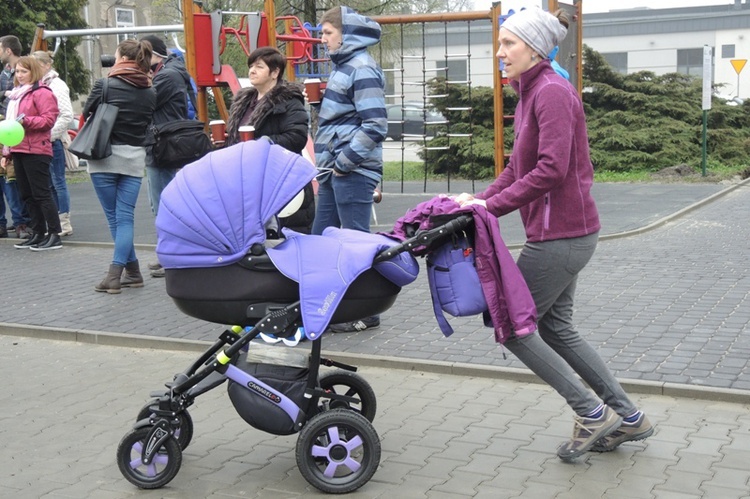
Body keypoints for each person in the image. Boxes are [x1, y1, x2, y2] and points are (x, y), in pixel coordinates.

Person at [455, 7, 653, 461]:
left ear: (535, 48)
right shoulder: (530, 94)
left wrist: (494, 207)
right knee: (556, 328)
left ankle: (590, 410)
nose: (499, 51)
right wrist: (480, 201)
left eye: (509, 43)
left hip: (562, 235)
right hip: (560, 233)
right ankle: (628, 417)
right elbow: (516, 168)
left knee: (512, 326)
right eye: (500, 43)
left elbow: (551, 169)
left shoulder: (552, 93)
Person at [312, 6, 388, 333]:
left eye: (328, 33)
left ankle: (367, 311)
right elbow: (346, 118)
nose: (323, 39)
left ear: (347, 34)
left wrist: (344, 163)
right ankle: (322, 307)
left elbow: (375, 125)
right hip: (333, 169)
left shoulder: (362, 68)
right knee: (320, 242)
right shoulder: (344, 67)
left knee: (354, 245)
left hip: (351, 171)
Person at [81, 39, 156, 293]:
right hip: (134, 159)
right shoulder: (150, 89)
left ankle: (114, 276)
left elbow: (86, 114)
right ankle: (133, 272)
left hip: (103, 157)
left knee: (115, 219)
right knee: (124, 218)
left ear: (122, 57)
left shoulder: (105, 84)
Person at [225, 46, 313, 233]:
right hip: (248, 179)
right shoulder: (244, 101)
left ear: (275, 73)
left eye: (259, 66)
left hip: (279, 178)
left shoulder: (289, 100)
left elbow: (296, 137)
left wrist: (262, 143)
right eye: (251, 66)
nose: (252, 70)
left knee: (284, 237)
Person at [140, 34, 195, 278]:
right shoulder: (173, 72)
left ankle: (173, 257)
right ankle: (170, 255)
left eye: (142, 56)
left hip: (162, 146)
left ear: (155, 55)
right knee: (165, 202)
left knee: (163, 204)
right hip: (168, 144)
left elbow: (144, 103)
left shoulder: (166, 76)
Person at [1, 56, 61, 251]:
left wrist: (25, 121)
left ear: (33, 72)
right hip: (18, 149)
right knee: (26, 194)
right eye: (17, 72)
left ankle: (54, 234)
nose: (19, 75)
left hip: (36, 149)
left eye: (24, 71)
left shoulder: (42, 93)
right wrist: (6, 152)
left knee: (41, 193)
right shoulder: (17, 95)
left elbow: (48, 121)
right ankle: (37, 232)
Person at [32, 50, 74, 237]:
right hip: (43, 141)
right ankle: (55, 221)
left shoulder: (56, 85)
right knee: (48, 184)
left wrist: (49, 134)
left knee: (58, 182)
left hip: (52, 140)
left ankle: (64, 222)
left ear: (47, 65)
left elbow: (66, 115)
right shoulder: (39, 85)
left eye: (36, 65)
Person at [0, 35, 31, 239]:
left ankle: (21, 222)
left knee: (11, 179)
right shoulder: (3, 73)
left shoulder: (25, 70)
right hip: (4, 127)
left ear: (8, 50)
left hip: (14, 130)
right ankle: (3, 223)